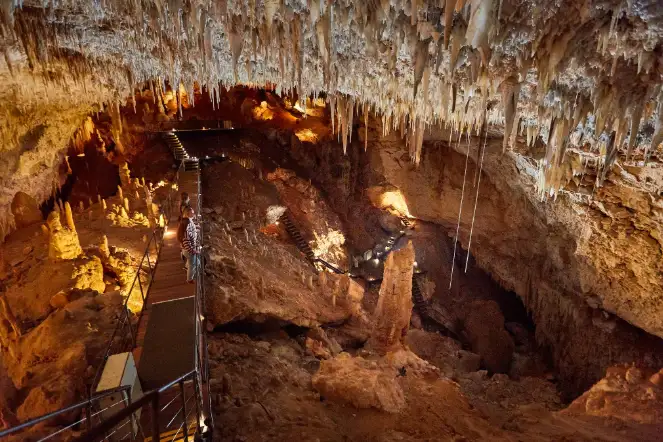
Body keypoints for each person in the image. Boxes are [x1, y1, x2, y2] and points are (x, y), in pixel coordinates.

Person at [178, 206, 200, 283]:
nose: (194, 213)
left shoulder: (187, 221)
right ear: (188, 214)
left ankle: (187, 268)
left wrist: (196, 228)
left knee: (195, 262)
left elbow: (191, 231)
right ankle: (189, 279)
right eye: (192, 212)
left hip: (186, 249)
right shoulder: (187, 225)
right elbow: (186, 240)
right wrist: (193, 251)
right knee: (193, 265)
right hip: (189, 250)